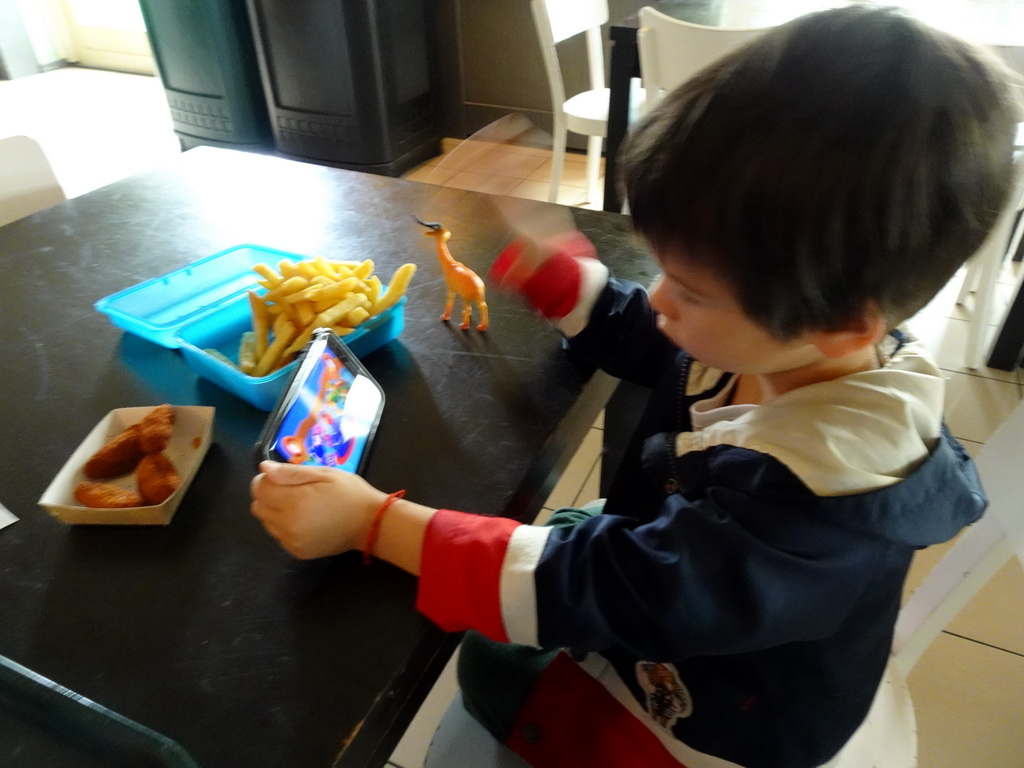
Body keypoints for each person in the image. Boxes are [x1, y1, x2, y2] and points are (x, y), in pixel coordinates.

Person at [250, 6, 1021, 768]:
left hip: (712, 723)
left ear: (846, 324)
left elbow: (605, 588)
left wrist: (373, 524)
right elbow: (660, 339)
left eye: (691, 287)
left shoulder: (820, 507)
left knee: (494, 659)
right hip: (675, 593)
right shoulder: (797, 340)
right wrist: (560, 280)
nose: (660, 300)